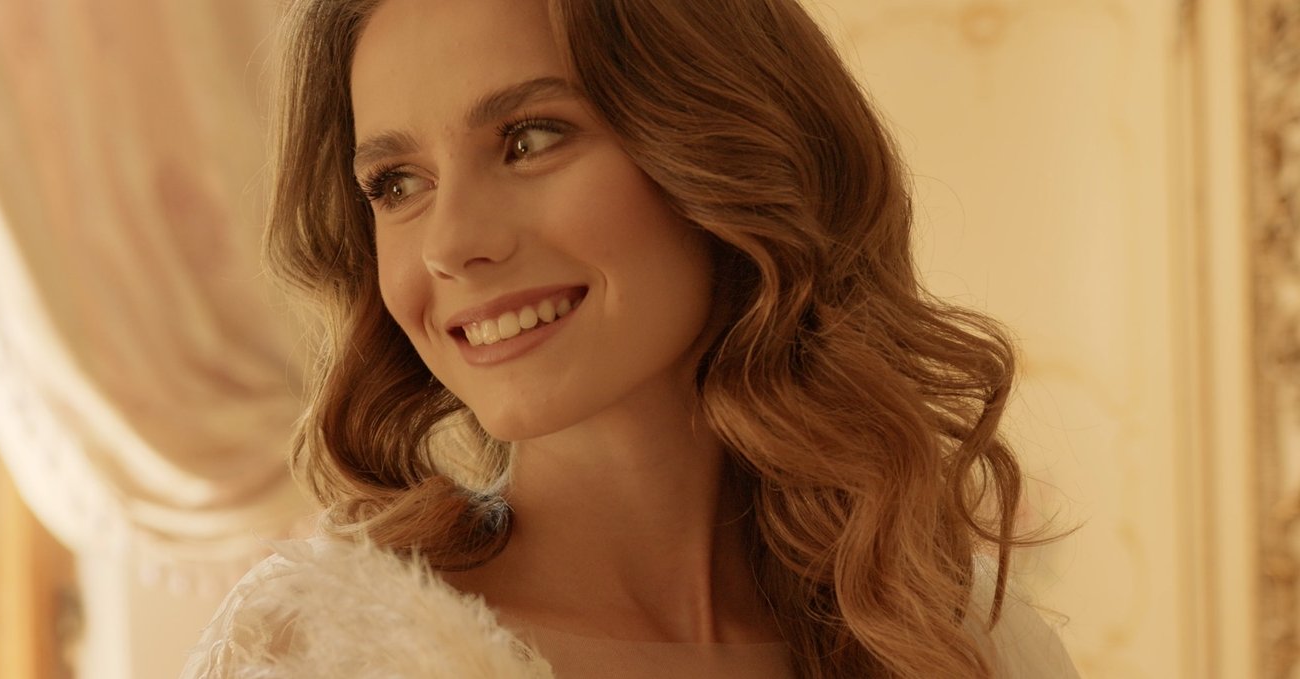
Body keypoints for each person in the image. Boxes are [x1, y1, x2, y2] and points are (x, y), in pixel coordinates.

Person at [183, 0, 1082, 677]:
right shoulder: (322, 651)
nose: (450, 243)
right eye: (395, 183)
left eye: (530, 139)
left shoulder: (957, 639)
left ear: (722, 148)